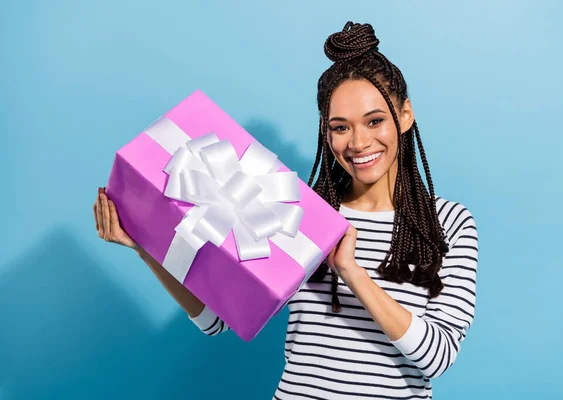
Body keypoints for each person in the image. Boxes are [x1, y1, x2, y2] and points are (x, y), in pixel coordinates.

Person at [93, 21, 478, 400]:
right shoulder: (301, 213)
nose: (359, 142)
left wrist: (349, 270)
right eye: (340, 127)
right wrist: (146, 248)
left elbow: (437, 356)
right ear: (325, 132)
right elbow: (216, 321)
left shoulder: (449, 224)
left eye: (374, 121)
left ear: (405, 115)